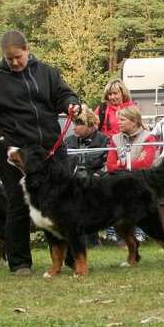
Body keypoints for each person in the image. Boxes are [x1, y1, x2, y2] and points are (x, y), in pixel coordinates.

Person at [0, 30, 80, 276]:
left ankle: (72, 258)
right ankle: (19, 262)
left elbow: (63, 94)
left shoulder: (47, 72)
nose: (15, 62)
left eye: (18, 57)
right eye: (9, 59)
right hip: (15, 153)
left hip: (51, 150)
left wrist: (71, 102)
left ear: (27, 50)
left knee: (62, 205)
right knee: (18, 204)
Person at [106, 106, 158, 242]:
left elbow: (144, 164)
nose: (118, 123)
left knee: (135, 192)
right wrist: (127, 166)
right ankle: (113, 230)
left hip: (144, 180)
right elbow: (110, 166)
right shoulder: (115, 139)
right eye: (118, 120)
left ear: (134, 121)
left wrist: (121, 165)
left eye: (122, 120)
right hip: (120, 180)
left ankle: (141, 231)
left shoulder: (149, 137)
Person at [64, 105, 109, 247]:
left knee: (88, 198)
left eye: (79, 124)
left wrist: (97, 175)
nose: (74, 128)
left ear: (90, 125)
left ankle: (92, 241)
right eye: (74, 124)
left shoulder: (104, 140)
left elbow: (108, 163)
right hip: (74, 182)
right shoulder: (69, 141)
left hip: (96, 181)